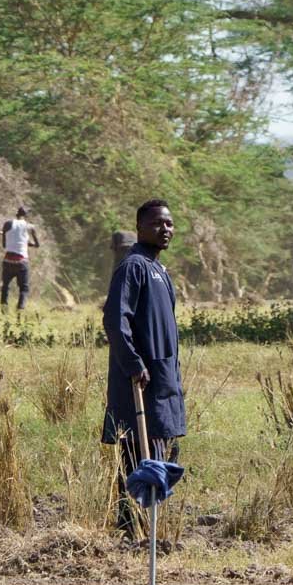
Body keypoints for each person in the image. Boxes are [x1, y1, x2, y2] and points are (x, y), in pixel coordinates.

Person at [103, 200, 186, 534]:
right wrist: (134, 364)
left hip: (165, 379)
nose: (164, 229)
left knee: (163, 449)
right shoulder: (133, 266)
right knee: (137, 455)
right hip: (140, 382)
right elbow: (114, 318)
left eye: (168, 224)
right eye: (156, 224)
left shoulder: (160, 270)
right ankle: (129, 529)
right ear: (139, 228)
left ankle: (149, 527)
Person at [0, 205, 40, 313]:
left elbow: (5, 245)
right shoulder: (30, 227)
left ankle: (4, 309)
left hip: (8, 261)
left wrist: (18, 241)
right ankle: (20, 309)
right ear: (26, 216)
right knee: (24, 288)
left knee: (5, 286)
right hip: (21, 262)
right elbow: (37, 245)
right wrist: (30, 244)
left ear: (16, 214)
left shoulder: (7, 224)